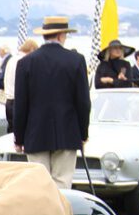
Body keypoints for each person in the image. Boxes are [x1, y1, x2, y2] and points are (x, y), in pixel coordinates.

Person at [12, 16, 90, 188]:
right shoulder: (76, 61)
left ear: (45, 35)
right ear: (62, 35)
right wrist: (83, 133)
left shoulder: (26, 63)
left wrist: (19, 137)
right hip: (67, 131)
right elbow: (83, 102)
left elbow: (21, 105)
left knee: (39, 186)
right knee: (62, 184)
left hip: (35, 132)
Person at [3, 39, 38, 130]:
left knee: (11, 131)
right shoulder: (23, 61)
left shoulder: (11, 60)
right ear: (31, 49)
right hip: (18, 101)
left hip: (9, 100)